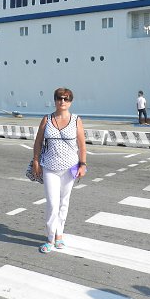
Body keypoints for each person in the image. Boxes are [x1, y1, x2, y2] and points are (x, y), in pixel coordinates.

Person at [31, 87, 87, 254]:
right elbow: (38, 142)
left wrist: (83, 164)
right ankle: (50, 238)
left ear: (70, 102)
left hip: (70, 167)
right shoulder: (47, 119)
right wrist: (36, 161)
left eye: (66, 99)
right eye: (59, 98)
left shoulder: (76, 120)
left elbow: (82, 145)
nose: (62, 101)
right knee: (52, 204)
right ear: (55, 100)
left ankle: (59, 235)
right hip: (49, 167)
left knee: (64, 202)